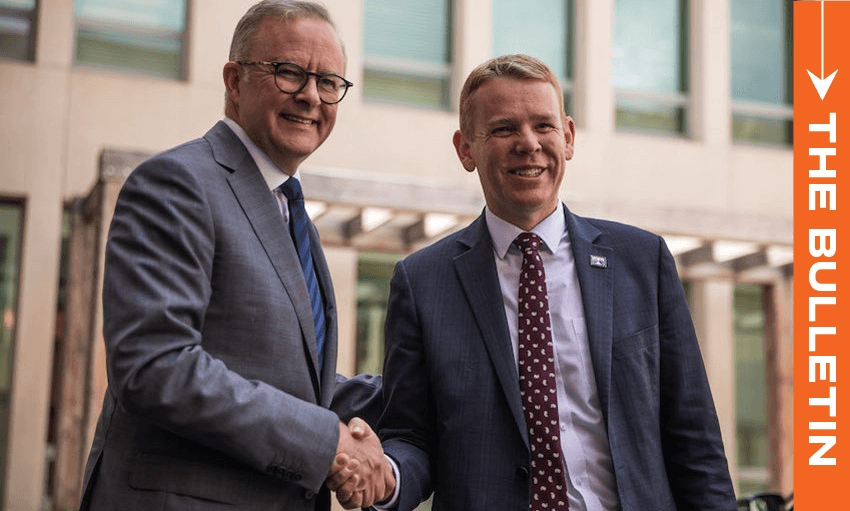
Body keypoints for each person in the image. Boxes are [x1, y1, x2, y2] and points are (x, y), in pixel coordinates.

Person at [376, 54, 738, 511]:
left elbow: (695, 437)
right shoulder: (422, 282)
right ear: (466, 148)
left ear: (567, 138)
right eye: (504, 128)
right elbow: (411, 434)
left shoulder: (642, 262)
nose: (528, 144)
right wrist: (387, 477)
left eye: (543, 126)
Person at [78, 2, 393, 510]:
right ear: (234, 80)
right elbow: (156, 366)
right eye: (289, 73)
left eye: (329, 81)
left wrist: (421, 390)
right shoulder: (177, 184)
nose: (311, 96)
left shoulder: (291, 213)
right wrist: (325, 441)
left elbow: (293, 383)